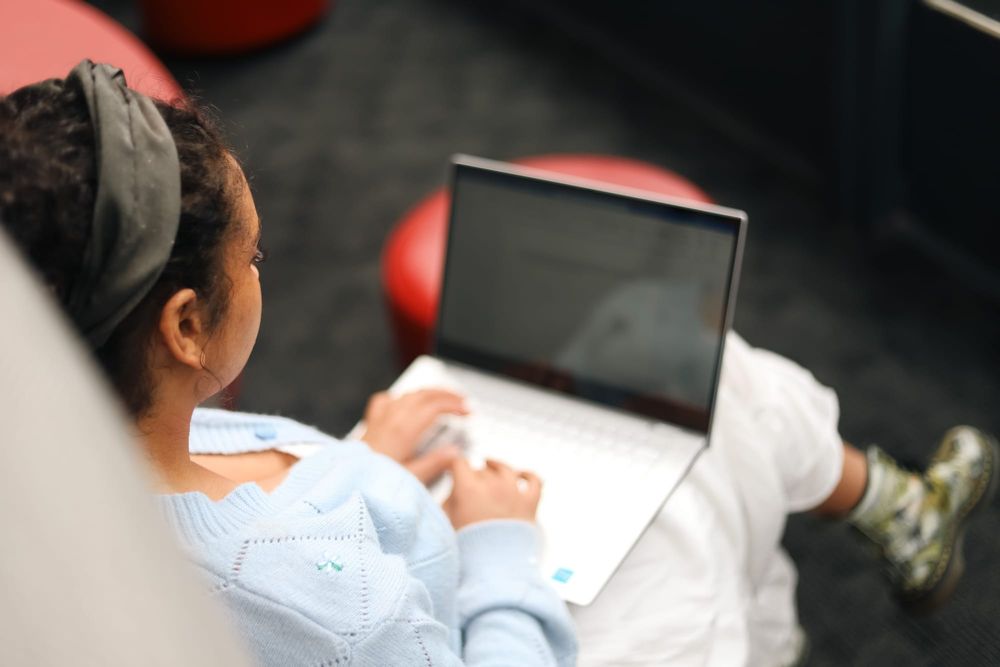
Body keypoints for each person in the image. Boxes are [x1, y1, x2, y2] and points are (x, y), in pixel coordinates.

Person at [0, 62, 995, 666]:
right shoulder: (319, 609)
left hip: (397, 537)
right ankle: (879, 523)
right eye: (250, 256)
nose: (263, 269)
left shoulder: (59, 453)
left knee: (682, 397)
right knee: (705, 401)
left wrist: (361, 462)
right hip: (483, 607)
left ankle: (885, 516)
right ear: (184, 327)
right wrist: (499, 547)